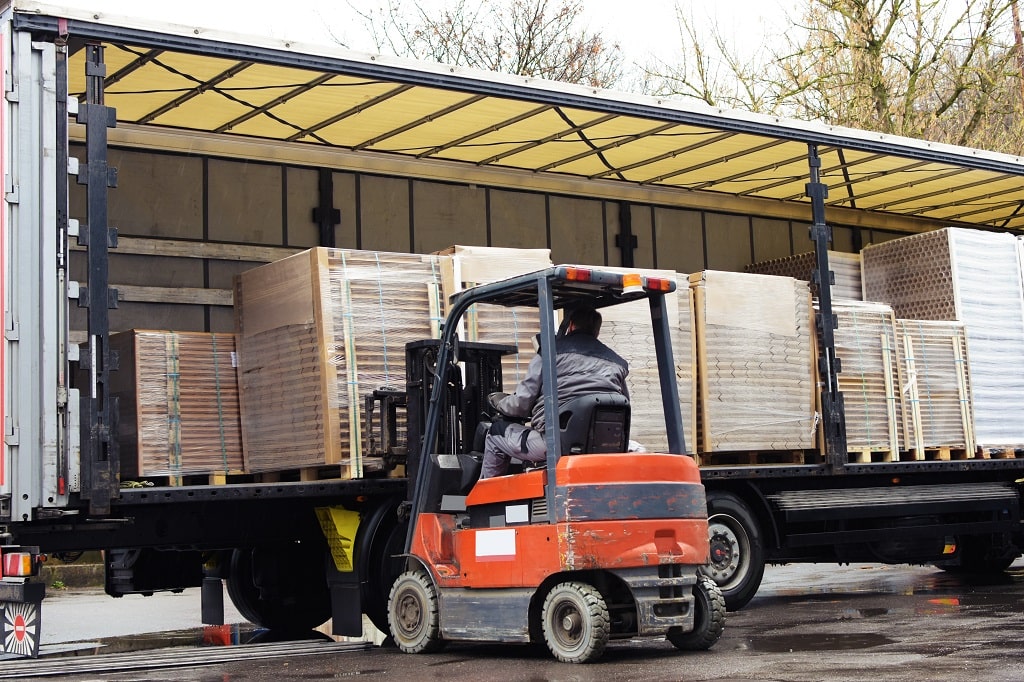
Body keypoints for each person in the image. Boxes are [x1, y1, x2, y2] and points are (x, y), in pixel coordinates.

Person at [480, 305, 629, 479]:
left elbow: (521, 404)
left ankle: (485, 502)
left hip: (555, 444)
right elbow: (623, 402)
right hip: (604, 445)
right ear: (597, 331)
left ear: (571, 325)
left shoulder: (549, 354)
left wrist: (500, 403)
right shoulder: (617, 364)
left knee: (495, 432)